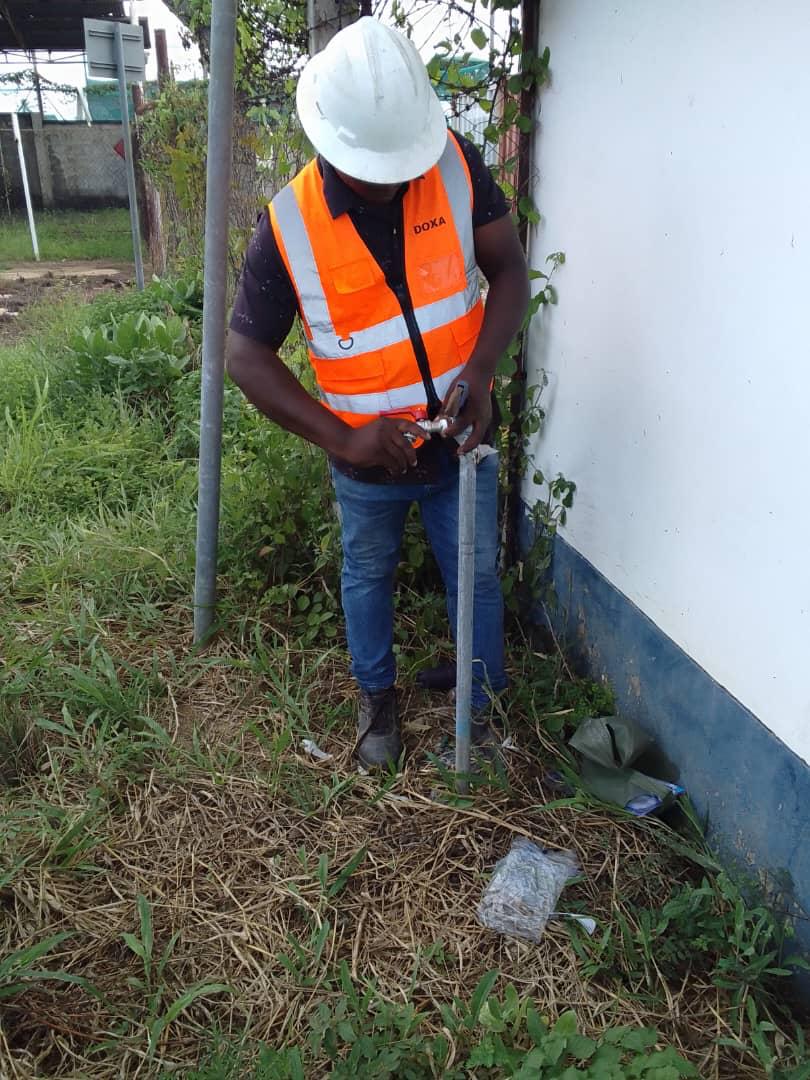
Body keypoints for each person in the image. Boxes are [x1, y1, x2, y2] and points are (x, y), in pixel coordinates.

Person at [227, 17, 529, 769]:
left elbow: (509, 271)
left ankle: (482, 707)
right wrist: (344, 437)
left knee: (477, 574)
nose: (394, 182)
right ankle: (377, 701)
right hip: (365, 462)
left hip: (461, 440)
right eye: (376, 171)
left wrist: (480, 372)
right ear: (332, 145)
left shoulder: (454, 165)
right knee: (367, 575)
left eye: (404, 165)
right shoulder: (288, 225)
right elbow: (245, 357)